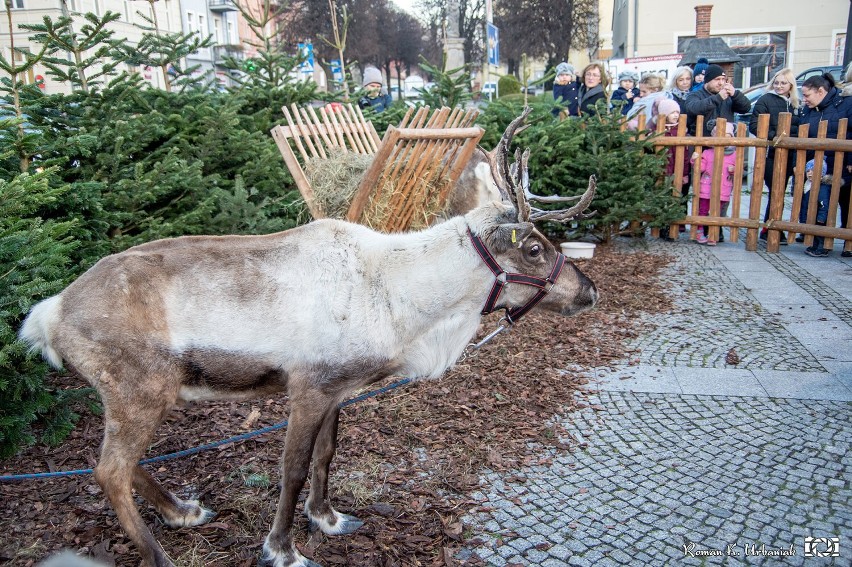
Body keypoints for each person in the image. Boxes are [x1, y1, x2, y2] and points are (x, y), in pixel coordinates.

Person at [797, 72, 852, 257]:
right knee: (821, 203)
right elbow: (802, 138)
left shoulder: (847, 104)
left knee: (846, 204)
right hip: (819, 166)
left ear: (820, 91)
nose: (804, 99)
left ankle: (848, 243)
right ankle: (820, 242)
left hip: (843, 164)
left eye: (807, 95)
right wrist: (804, 165)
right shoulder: (808, 110)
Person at [749, 68, 800, 245]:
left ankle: (773, 226)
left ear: (790, 85)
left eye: (783, 83)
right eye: (776, 82)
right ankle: (769, 228)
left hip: (791, 154)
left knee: (782, 191)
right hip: (771, 154)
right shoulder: (765, 100)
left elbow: (801, 127)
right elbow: (755, 125)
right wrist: (776, 136)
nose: (779, 86)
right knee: (775, 190)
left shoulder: (795, 104)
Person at [692, 122, 737, 245]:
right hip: (707, 187)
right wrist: (695, 160)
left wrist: (735, 170)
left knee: (716, 212)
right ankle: (700, 232)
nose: (724, 139)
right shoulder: (707, 153)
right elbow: (700, 168)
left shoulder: (734, 155)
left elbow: (739, 171)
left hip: (723, 189)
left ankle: (713, 234)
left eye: (728, 136)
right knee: (703, 210)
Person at [684, 64, 751, 137]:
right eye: (717, 79)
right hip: (701, 144)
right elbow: (693, 109)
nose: (721, 83)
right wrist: (718, 98)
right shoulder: (695, 95)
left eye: (723, 79)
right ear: (707, 81)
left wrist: (735, 94)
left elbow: (746, 108)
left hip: (725, 143)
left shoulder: (728, 96)